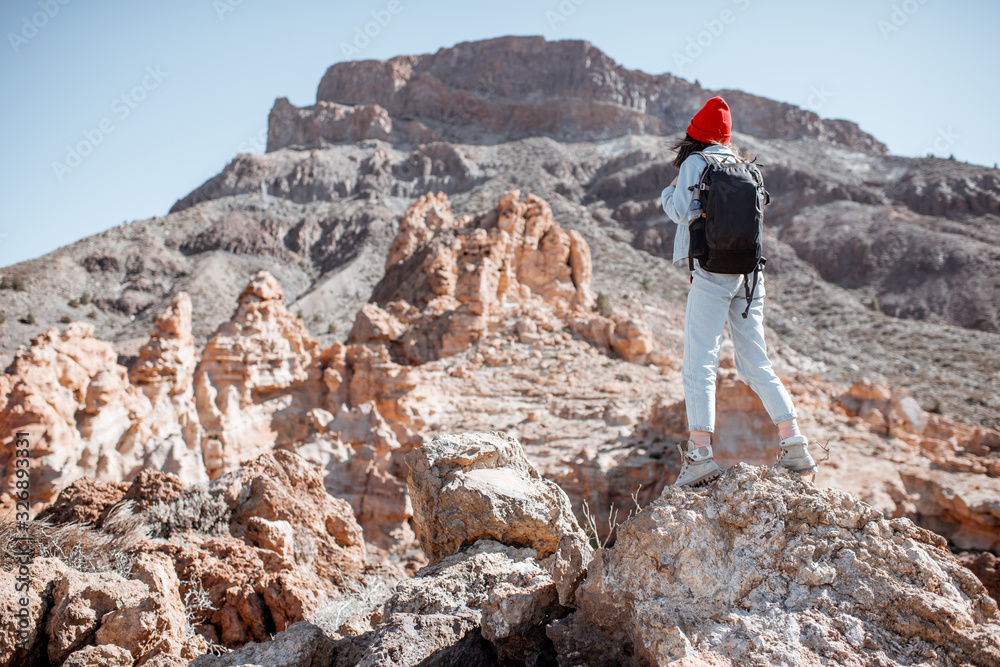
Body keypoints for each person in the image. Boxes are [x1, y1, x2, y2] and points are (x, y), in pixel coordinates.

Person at [660, 96, 816, 487]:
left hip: (711, 274)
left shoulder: (696, 163)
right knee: (755, 362)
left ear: (695, 136)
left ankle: (699, 457)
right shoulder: (746, 167)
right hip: (749, 277)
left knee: (700, 363)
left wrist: (669, 190)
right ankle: (794, 444)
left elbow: (680, 211)